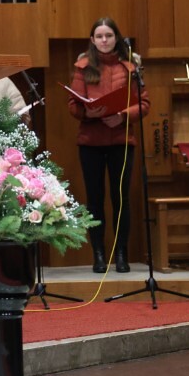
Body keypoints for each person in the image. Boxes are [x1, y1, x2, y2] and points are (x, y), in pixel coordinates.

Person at [67, 17, 150, 274]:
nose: (104, 40)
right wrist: (88, 112)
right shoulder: (82, 67)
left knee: (120, 199)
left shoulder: (130, 68)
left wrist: (123, 116)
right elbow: (73, 105)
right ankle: (99, 255)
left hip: (120, 141)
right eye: (100, 36)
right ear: (92, 40)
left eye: (109, 35)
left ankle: (121, 254)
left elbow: (144, 104)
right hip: (90, 142)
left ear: (116, 38)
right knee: (95, 200)